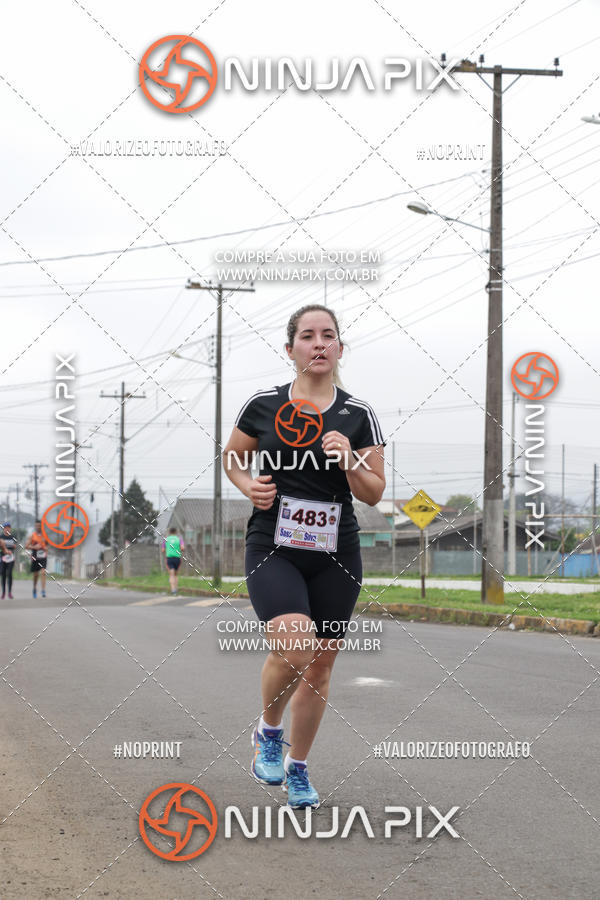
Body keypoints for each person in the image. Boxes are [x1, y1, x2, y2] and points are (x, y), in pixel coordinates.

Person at [223, 304, 386, 809]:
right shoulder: (264, 404)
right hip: (274, 545)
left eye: (328, 335)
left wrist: (350, 460)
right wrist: (248, 485)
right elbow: (233, 458)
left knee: (319, 667)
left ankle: (298, 767)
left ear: (339, 347)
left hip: (337, 552)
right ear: (290, 347)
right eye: (308, 336)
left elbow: (375, 491)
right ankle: (270, 731)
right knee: (296, 646)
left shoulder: (358, 415)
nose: (319, 343)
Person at [25, 520, 48, 599]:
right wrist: (34, 547)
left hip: (43, 557)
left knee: (43, 572)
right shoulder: (32, 536)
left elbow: (48, 545)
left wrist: (46, 548)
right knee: (36, 574)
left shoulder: (45, 536)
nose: (38, 527)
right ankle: (34, 588)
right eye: (37, 526)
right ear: (35, 526)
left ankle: (43, 590)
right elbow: (26, 546)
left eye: (39, 526)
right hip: (35, 556)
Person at [162, 527, 185, 596]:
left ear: (169, 532)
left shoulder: (166, 539)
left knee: (171, 575)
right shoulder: (179, 539)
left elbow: (163, 550)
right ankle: (176, 589)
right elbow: (182, 548)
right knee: (175, 575)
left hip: (169, 559)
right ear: (176, 532)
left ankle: (173, 590)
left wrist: (168, 550)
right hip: (177, 559)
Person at [0, 522, 17, 600]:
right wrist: (4, 549)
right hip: (3, 557)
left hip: (11, 558)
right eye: (6, 527)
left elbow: (15, 546)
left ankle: (9, 592)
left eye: (8, 527)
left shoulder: (12, 537)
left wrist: (13, 547)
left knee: (9, 573)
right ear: (3, 529)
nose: (7, 529)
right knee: (3, 574)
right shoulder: (1, 537)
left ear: (10, 528)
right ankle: (3, 593)